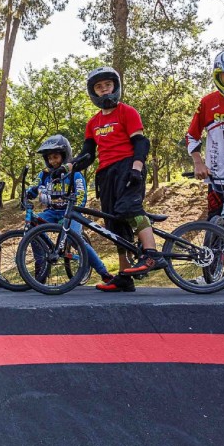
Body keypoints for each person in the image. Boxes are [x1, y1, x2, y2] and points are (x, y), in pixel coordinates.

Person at [62, 66, 166, 292]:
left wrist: (137, 169)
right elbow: (88, 154)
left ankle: (151, 254)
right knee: (115, 224)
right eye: (99, 87)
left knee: (129, 208)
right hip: (105, 174)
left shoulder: (127, 111)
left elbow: (140, 142)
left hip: (128, 166)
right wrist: (68, 166)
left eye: (107, 85)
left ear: (115, 87)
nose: (104, 89)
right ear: (94, 92)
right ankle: (124, 277)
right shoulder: (93, 123)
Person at [186, 47, 224, 288]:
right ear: (218, 76)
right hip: (217, 175)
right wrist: (198, 161)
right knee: (214, 223)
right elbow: (192, 135)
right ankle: (210, 273)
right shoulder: (207, 102)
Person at [25, 134, 114, 284]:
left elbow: (81, 196)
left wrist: (70, 211)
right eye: (50, 158)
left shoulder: (75, 174)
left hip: (72, 213)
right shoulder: (44, 174)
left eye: (56, 157)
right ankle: (41, 268)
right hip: (52, 212)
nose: (53, 161)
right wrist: (26, 194)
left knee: (74, 239)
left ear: (65, 156)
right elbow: (33, 188)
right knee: (32, 228)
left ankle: (103, 272)